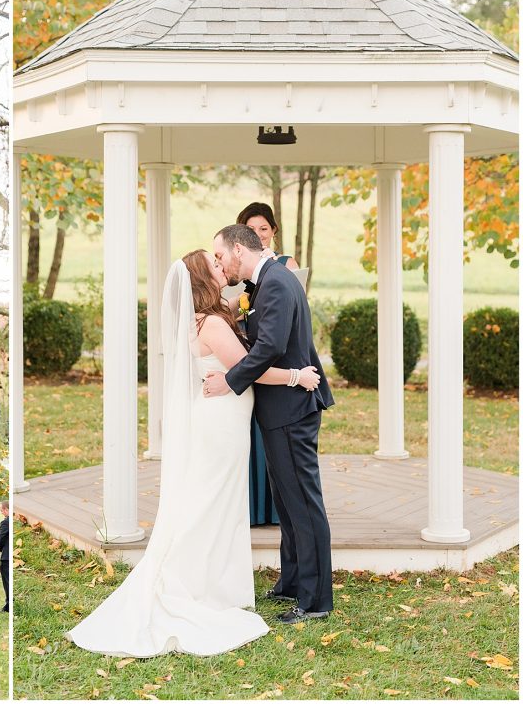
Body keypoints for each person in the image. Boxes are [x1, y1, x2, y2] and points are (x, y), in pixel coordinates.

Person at [66, 247, 321, 657]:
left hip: (223, 419)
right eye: (215, 264)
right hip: (220, 423)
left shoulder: (207, 318)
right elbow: (250, 367)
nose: (223, 266)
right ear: (203, 278)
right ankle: (197, 587)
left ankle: (211, 582)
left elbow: (239, 364)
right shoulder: (213, 325)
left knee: (215, 503)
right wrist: (297, 376)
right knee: (212, 505)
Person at [206, 224, 335, 624]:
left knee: (303, 504)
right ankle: (292, 583)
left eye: (221, 256)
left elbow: (273, 347)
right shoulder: (265, 284)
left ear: (240, 250)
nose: (220, 264)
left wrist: (230, 381)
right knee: (286, 500)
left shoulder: (276, 282)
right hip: (281, 409)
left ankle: (314, 601)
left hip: (291, 410)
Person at [236, 201, 298, 527]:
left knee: (272, 431)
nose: (259, 235)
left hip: (276, 359)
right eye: (252, 230)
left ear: (274, 231)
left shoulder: (286, 266)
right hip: (244, 356)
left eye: (264, 228)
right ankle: (250, 507)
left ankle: (273, 509)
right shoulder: (238, 270)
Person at [237, 201, 300, 272]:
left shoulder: (288, 265)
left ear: (273, 230)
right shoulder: (233, 264)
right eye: (250, 229)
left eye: (263, 229)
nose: (257, 235)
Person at [0, 499, 9, 612]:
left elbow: (1, 539)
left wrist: (0, 548)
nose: (1, 512)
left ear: (6, 509)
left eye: (1, 510)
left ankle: (8, 605)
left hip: (6, 557)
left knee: (7, 582)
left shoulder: (5, 522)